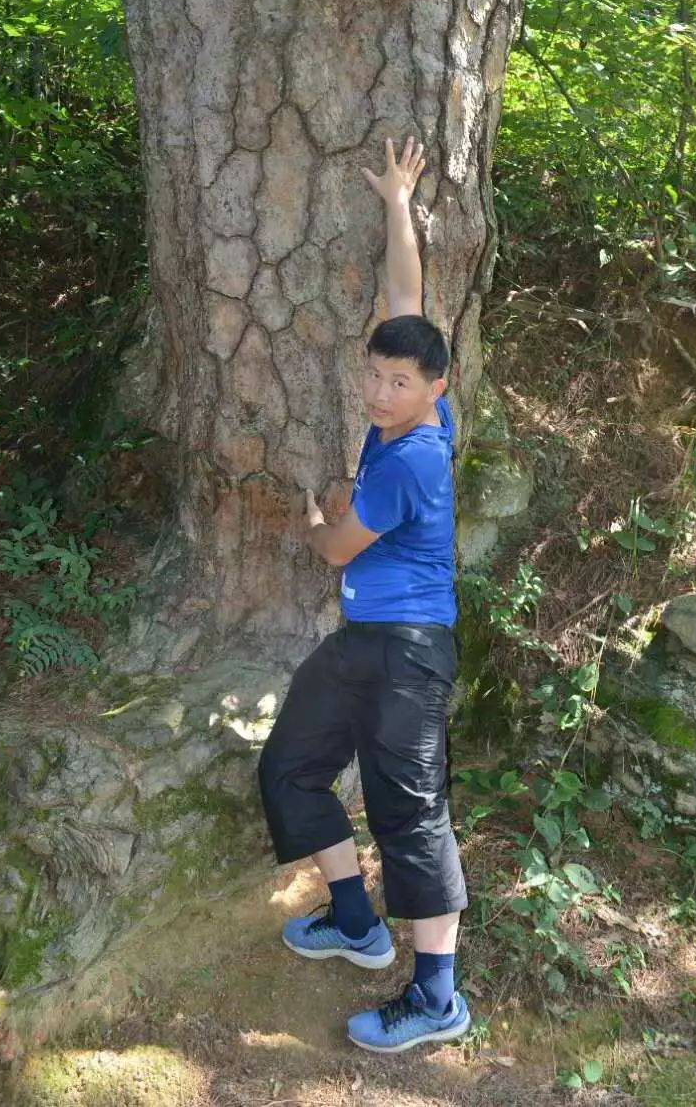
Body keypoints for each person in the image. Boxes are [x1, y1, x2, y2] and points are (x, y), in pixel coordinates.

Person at [258, 136, 470, 1055]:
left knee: (410, 814)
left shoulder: (416, 455)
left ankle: (436, 998)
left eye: (399, 383)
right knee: (290, 768)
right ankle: (354, 920)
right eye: (373, 376)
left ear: (436, 390)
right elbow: (405, 302)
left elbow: (336, 549)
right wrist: (396, 205)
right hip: (362, 643)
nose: (380, 393)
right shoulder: (413, 404)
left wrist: (318, 518)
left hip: (410, 651)